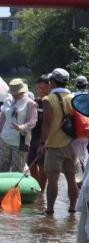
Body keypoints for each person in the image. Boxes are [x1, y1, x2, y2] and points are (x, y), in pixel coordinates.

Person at [36, 67, 80, 215]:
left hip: (54, 145)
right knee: (71, 177)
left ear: (53, 81)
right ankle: (72, 209)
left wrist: (42, 144)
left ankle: (50, 210)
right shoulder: (73, 98)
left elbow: (47, 123)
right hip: (72, 145)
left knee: (53, 178)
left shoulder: (48, 99)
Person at [0, 78, 38, 173]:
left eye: (16, 93)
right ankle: (3, 187)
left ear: (22, 91)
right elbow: (1, 117)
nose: (14, 95)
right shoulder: (7, 101)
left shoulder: (30, 103)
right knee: (3, 167)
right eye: (13, 93)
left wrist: (21, 127)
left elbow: (33, 121)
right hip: (4, 137)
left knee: (18, 168)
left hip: (20, 139)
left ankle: (16, 188)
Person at [28, 73, 52, 190]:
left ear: (49, 86)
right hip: (34, 136)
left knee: (42, 165)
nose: (41, 90)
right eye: (39, 87)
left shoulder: (51, 101)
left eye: (44, 87)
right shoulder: (36, 102)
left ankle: (41, 191)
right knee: (30, 163)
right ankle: (36, 186)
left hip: (45, 138)